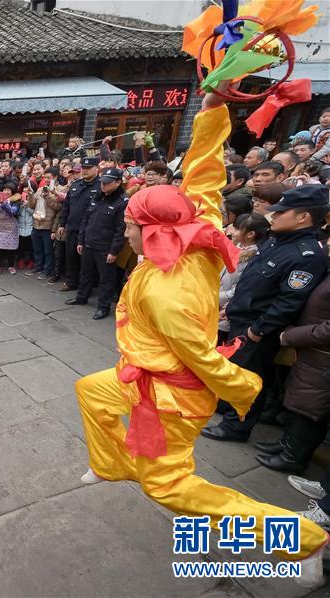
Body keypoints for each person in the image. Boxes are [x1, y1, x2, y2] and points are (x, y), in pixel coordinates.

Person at [74, 82, 329, 585]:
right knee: (90, 391)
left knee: (169, 487)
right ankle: (112, 463)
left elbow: (199, 356)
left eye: (129, 224)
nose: (125, 230)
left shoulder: (167, 293)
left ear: (149, 232)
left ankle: (302, 539)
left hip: (171, 392)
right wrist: (212, 110)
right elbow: (205, 171)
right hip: (143, 372)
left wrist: (239, 388)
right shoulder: (198, 223)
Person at [202, 185, 329, 443]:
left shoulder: (306, 255)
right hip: (241, 316)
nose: (274, 215)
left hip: (258, 328)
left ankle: (236, 427)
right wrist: (233, 307)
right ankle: (227, 407)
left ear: (303, 217)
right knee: (234, 370)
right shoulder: (276, 240)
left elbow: (288, 301)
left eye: (282, 212)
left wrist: (258, 329)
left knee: (250, 378)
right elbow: (253, 281)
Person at [255, 270, 330, 474]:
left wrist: (293, 335)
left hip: (320, 355)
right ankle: (287, 444)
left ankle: (293, 457)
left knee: (310, 409)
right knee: (299, 404)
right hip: (311, 352)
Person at [65, 167, 127, 320]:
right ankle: (81, 297)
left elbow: (121, 230)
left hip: (105, 247)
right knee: (85, 273)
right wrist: (81, 240)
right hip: (89, 243)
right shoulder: (98, 197)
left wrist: (114, 251)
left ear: (118, 182)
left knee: (106, 279)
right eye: (102, 182)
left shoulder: (122, 202)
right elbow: (86, 220)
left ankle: (103, 307)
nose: (103, 185)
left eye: (107, 183)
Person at [218, 213, 269, 343]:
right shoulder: (234, 248)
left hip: (224, 312)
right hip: (214, 305)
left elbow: (239, 289)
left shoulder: (254, 258)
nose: (232, 231)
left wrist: (214, 297)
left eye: (236, 228)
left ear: (250, 234)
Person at [56, 156, 100, 292]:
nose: (85, 171)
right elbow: (66, 207)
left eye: (89, 168)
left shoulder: (100, 186)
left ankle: (86, 285)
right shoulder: (76, 185)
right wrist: (62, 224)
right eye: (83, 168)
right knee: (71, 257)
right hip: (73, 228)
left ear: (97, 169)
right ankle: (71, 282)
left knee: (86, 261)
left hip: (89, 230)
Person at [0, 183, 20, 275]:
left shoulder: (16, 200)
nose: (6, 192)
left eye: (8, 190)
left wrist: (4, 204)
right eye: (4, 190)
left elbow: (12, 212)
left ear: (12, 192)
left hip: (10, 226)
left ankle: (11, 266)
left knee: (10, 248)